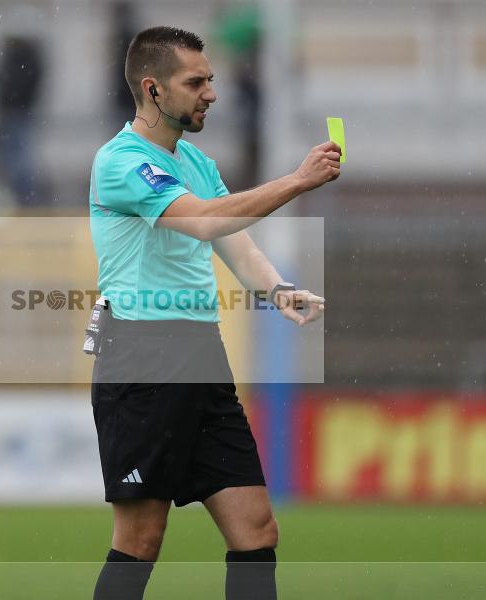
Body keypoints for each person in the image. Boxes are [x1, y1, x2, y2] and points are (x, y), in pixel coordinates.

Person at [87, 26, 341, 600]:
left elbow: (233, 242)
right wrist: (298, 181)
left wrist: (278, 290)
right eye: (195, 82)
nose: (211, 93)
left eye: (211, 80)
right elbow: (203, 221)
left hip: (199, 355)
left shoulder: (195, 161)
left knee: (255, 529)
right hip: (142, 359)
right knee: (141, 537)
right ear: (152, 89)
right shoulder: (122, 161)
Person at [0, 35, 44, 206]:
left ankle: (22, 196)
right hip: (12, 112)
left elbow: (16, 85)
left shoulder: (22, 60)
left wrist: (11, 101)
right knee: (13, 156)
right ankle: (18, 196)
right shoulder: (22, 59)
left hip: (15, 112)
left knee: (17, 157)